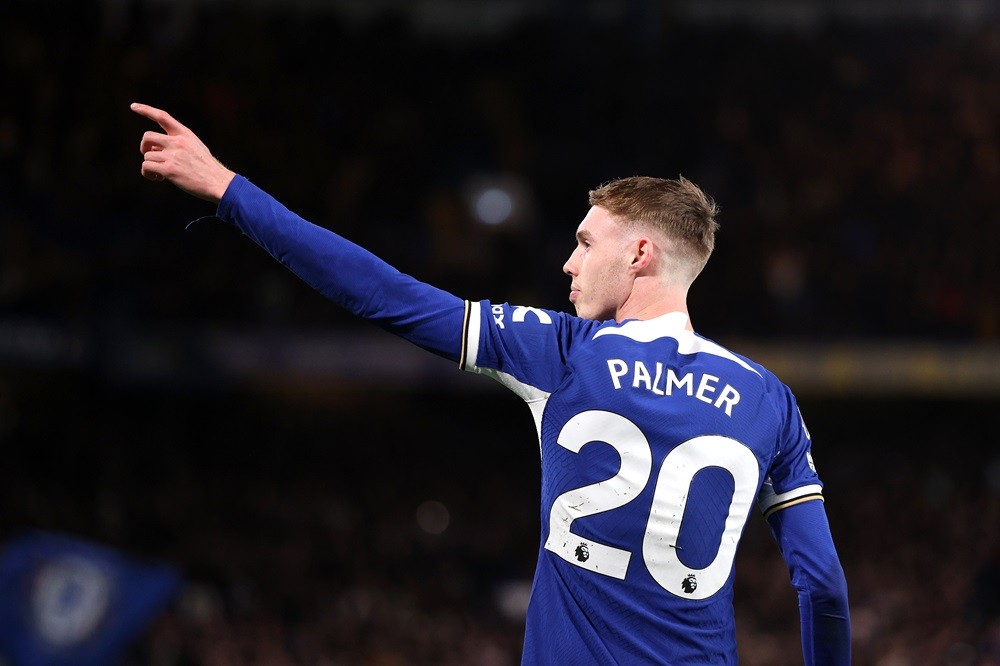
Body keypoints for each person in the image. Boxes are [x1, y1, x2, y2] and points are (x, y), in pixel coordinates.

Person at [131, 101, 851, 665]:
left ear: (639, 253)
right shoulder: (769, 400)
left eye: (584, 241)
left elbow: (382, 293)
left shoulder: (564, 353)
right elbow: (821, 585)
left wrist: (229, 190)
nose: (568, 263)